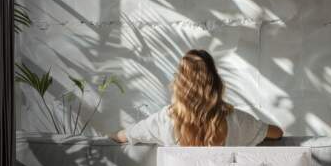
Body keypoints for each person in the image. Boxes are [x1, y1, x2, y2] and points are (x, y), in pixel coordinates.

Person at [110, 49, 283, 146]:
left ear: (180, 83)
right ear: (215, 81)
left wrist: (109, 136)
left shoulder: (165, 119)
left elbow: (125, 135)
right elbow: (277, 133)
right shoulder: (235, 119)